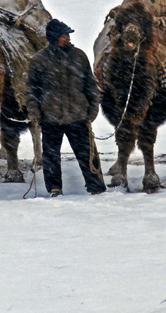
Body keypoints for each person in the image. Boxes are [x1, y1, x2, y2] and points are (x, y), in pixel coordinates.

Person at [26, 18, 106, 196]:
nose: (68, 37)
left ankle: (97, 187)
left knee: (87, 155)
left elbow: (91, 86)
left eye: (68, 34)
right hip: (50, 118)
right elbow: (31, 90)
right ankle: (55, 189)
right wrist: (34, 112)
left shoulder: (79, 56)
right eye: (64, 35)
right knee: (51, 157)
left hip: (78, 116)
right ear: (54, 37)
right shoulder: (38, 60)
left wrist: (92, 109)